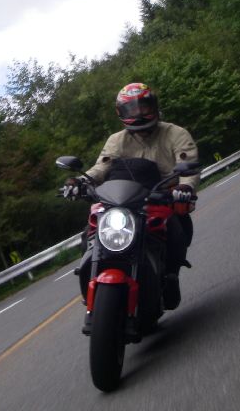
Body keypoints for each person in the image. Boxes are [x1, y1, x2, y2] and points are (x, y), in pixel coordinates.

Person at [64, 82, 199, 309]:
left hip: (161, 196)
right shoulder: (116, 140)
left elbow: (188, 166)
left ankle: (171, 275)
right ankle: (90, 272)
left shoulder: (175, 133)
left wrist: (185, 188)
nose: (139, 114)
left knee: (177, 228)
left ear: (154, 106)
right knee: (90, 231)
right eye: (132, 109)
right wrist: (79, 181)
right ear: (121, 112)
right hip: (122, 198)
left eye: (144, 107)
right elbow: (102, 167)